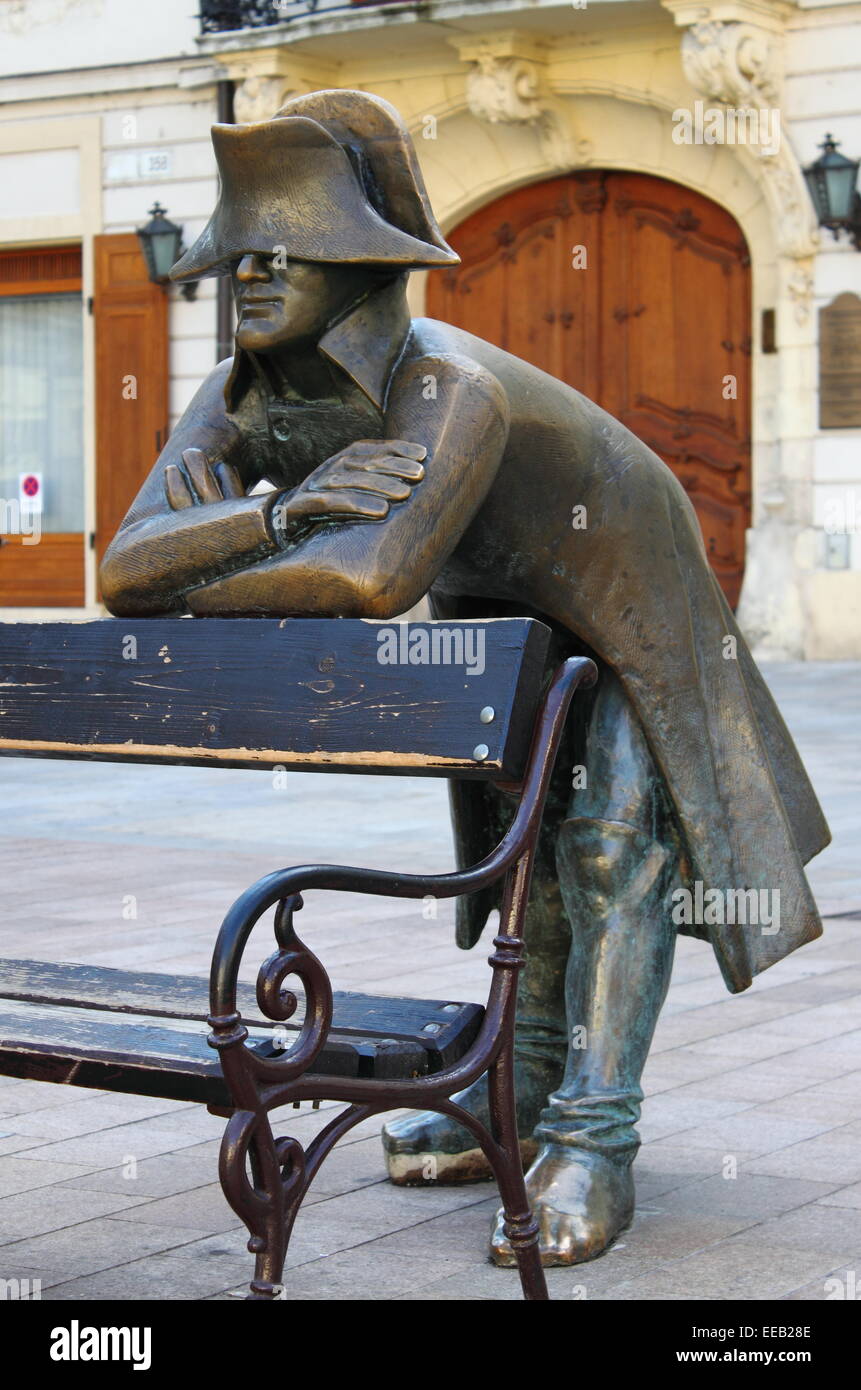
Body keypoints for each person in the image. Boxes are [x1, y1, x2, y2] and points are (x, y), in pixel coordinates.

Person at [101, 90, 830, 1266]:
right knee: (517, 840)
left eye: (291, 246)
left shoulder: (449, 388)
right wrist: (285, 512)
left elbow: (371, 578)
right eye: (242, 247)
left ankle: (594, 1141)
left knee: (609, 844)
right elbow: (126, 570)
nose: (251, 270)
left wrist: (228, 544)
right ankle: (518, 1099)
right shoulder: (239, 391)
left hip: (621, 578)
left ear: (362, 267)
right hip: (493, 599)